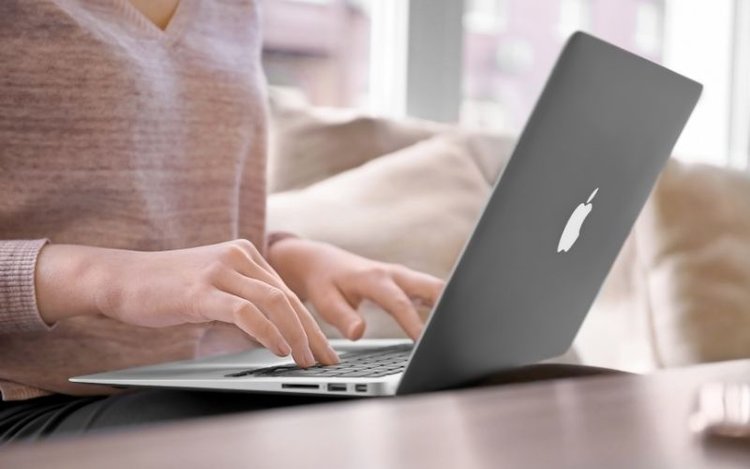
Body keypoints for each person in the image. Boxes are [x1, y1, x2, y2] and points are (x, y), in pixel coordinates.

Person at [0, 0, 622, 443]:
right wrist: (96, 277)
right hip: (32, 405)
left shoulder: (229, 10)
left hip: (214, 379)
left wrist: (292, 257)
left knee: (559, 394)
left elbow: (164, 220)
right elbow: (127, 264)